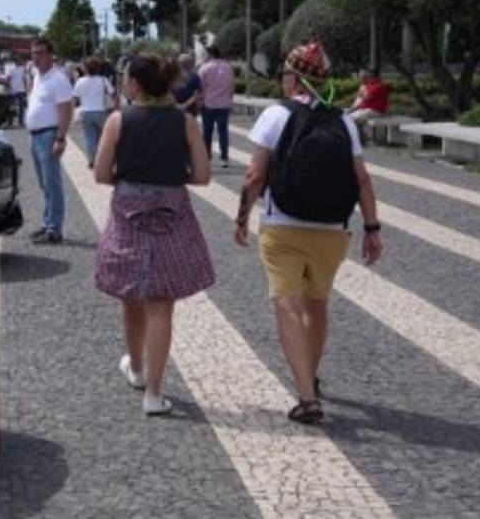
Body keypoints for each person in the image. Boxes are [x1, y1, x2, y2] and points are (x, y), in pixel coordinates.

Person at [234, 41, 384, 425]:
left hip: (283, 226)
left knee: (288, 305)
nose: (283, 81)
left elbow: (254, 176)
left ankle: (306, 397)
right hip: (332, 230)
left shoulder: (275, 115)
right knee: (317, 305)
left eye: (285, 74)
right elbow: (362, 180)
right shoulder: (345, 122)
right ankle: (310, 378)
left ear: (294, 79)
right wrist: (372, 228)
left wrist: (241, 218)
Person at [93, 53, 214, 416]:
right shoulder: (186, 122)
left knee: (131, 297)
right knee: (161, 305)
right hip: (172, 210)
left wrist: (130, 183)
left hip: (128, 210)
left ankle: (136, 368)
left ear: (135, 85)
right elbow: (204, 176)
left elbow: (100, 174)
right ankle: (155, 395)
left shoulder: (118, 120)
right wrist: (173, 181)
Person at [25, 40, 76, 245]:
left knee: (52, 183)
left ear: (50, 55)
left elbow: (67, 109)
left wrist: (61, 138)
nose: (35, 57)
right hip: (35, 135)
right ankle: (48, 223)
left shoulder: (59, 79)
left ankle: (54, 229)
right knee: (44, 184)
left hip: (48, 135)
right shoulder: (38, 76)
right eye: (33, 53)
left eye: (39, 53)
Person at [198, 45, 236, 167]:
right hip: (224, 104)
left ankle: (206, 157)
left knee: (207, 132)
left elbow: (200, 88)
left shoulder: (204, 68)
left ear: (210, 54)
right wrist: (229, 100)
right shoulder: (228, 67)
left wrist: (199, 102)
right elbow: (232, 86)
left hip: (208, 104)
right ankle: (224, 158)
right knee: (223, 132)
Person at [73, 57, 115, 168]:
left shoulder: (80, 81)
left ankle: (92, 160)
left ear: (85, 69)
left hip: (85, 112)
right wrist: (117, 107)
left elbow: (75, 99)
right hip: (101, 111)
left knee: (89, 137)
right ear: (97, 68)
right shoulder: (103, 80)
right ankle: (104, 161)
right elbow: (113, 94)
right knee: (103, 137)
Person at [173, 53, 202, 118]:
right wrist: (195, 106)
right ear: (190, 64)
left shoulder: (173, 76)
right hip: (190, 108)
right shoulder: (195, 77)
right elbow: (197, 94)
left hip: (174, 107)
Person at [7, 56, 28, 127]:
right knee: (12, 107)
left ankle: (21, 122)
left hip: (21, 90)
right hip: (13, 90)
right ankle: (10, 122)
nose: (20, 62)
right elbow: (8, 78)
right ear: (16, 62)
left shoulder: (22, 69)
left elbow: (24, 79)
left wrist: (25, 89)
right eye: (19, 61)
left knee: (21, 107)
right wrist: (9, 87)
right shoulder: (11, 69)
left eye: (20, 61)